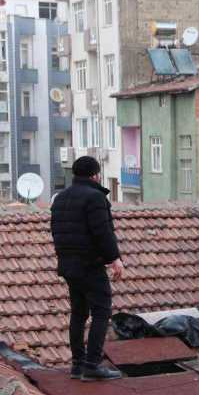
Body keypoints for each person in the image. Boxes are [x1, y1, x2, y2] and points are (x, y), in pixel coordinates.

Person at [50, 156, 124, 381]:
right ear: (95, 175)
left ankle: (77, 365)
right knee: (101, 312)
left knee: (79, 314)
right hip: (90, 265)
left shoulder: (60, 198)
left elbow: (56, 233)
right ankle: (92, 365)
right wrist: (115, 258)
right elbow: (103, 232)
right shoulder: (95, 197)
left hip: (68, 265)